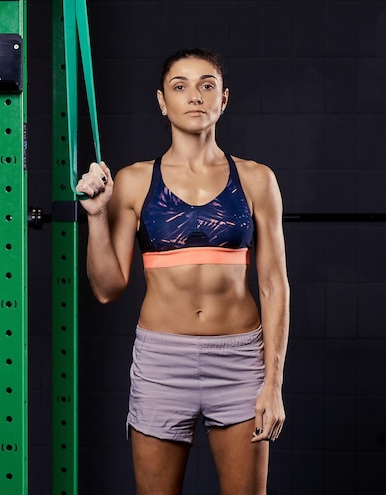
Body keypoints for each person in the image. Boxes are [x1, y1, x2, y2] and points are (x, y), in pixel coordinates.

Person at [76, 48, 290, 495]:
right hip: (162, 363)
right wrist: (97, 216)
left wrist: (273, 383)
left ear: (224, 99)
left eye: (206, 85)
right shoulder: (134, 180)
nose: (195, 96)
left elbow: (273, 285)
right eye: (180, 86)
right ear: (162, 101)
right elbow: (107, 288)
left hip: (238, 362)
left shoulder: (255, 179)